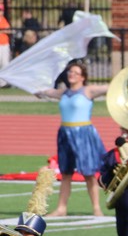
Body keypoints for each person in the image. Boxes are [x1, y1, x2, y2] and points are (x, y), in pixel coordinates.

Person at [36, 62, 107, 217]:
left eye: (75, 72)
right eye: (70, 72)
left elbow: (109, 88)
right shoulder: (64, 92)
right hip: (65, 133)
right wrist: (38, 91)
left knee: (88, 173)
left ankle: (96, 208)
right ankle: (61, 208)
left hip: (83, 133)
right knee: (66, 172)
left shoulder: (88, 90)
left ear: (82, 76)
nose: (71, 74)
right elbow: (46, 92)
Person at [0, 6, 10, 72]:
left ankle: (3, 82)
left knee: (5, 63)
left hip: (4, 44)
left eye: (1, 10)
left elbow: (9, 30)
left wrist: (2, 31)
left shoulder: (4, 20)